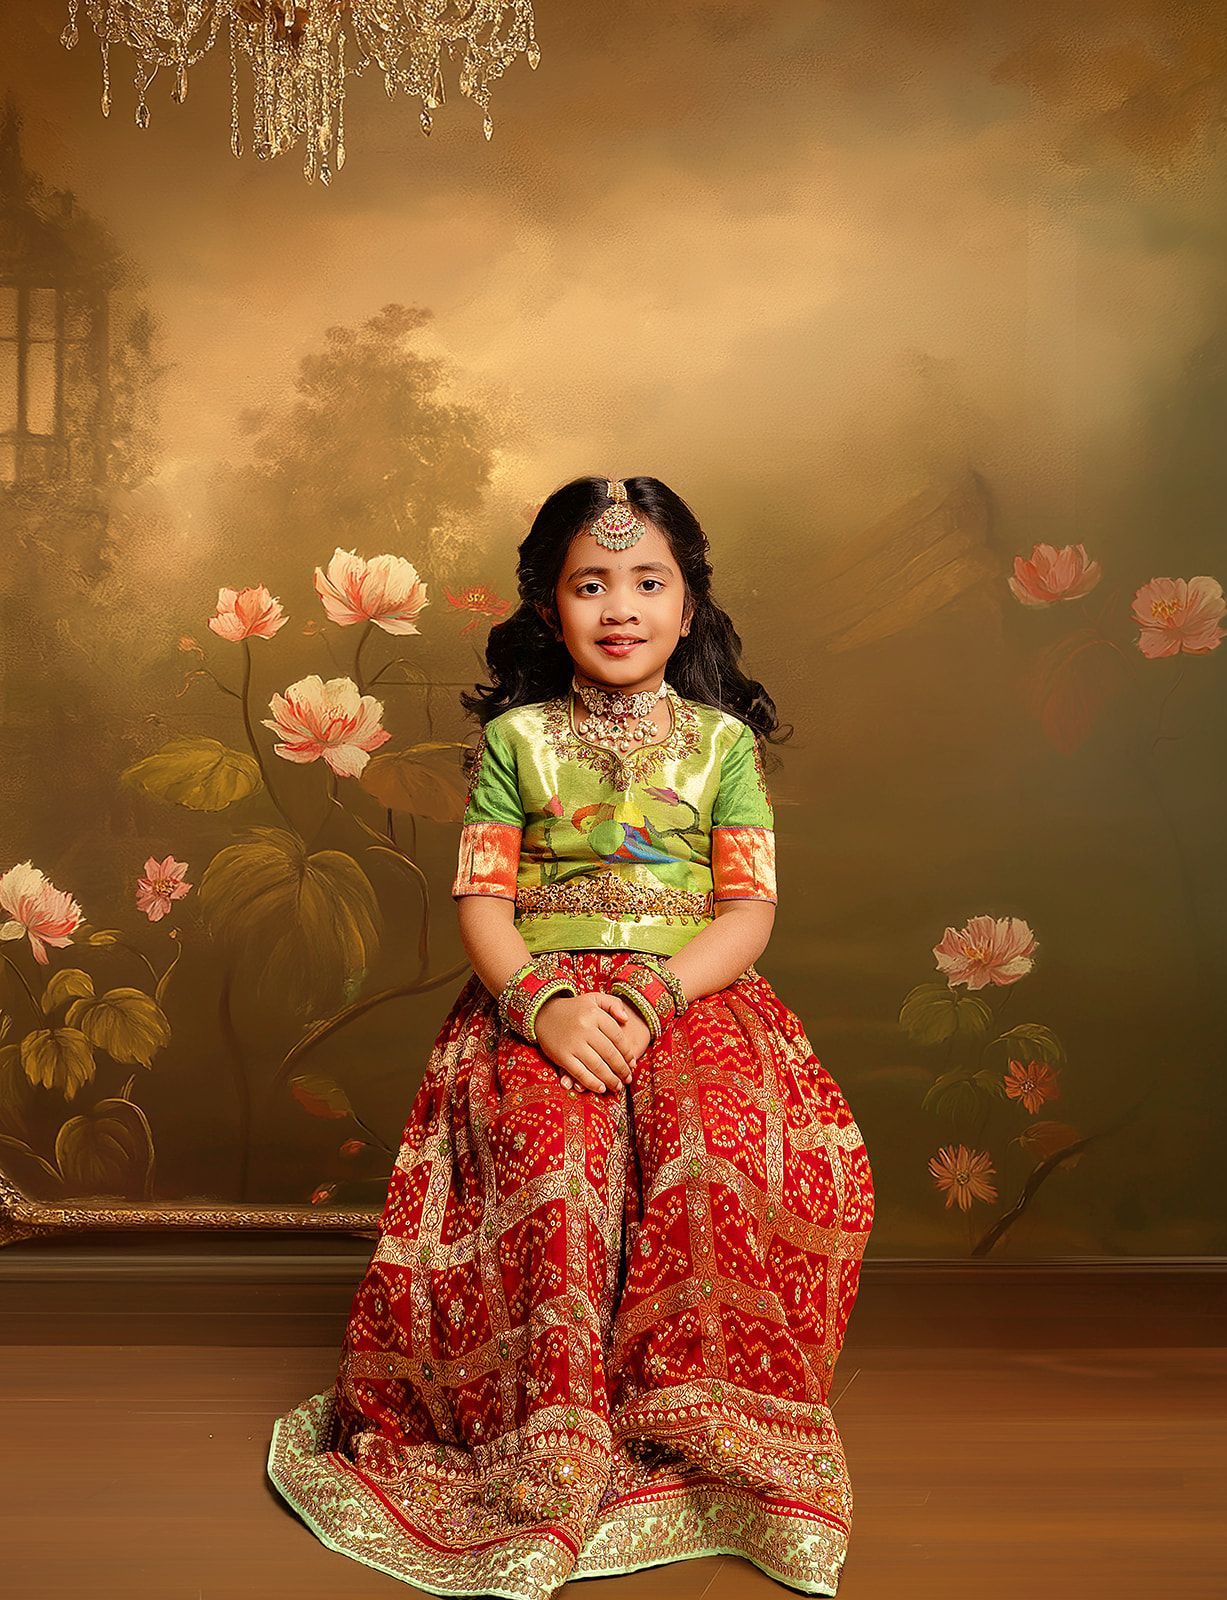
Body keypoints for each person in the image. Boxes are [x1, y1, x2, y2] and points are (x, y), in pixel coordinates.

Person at [266, 476, 875, 1599]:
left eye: (648, 583)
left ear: (689, 607)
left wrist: (656, 996)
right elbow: (482, 905)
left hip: (692, 993)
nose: (621, 608)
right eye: (590, 585)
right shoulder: (518, 741)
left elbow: (747, 912)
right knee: (551, 1151)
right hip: (538, 995)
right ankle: (549, 1430)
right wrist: (542, 1007)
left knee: (714, 1140)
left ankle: (696, 1414)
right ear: (550, 609)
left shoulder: (722, 746)